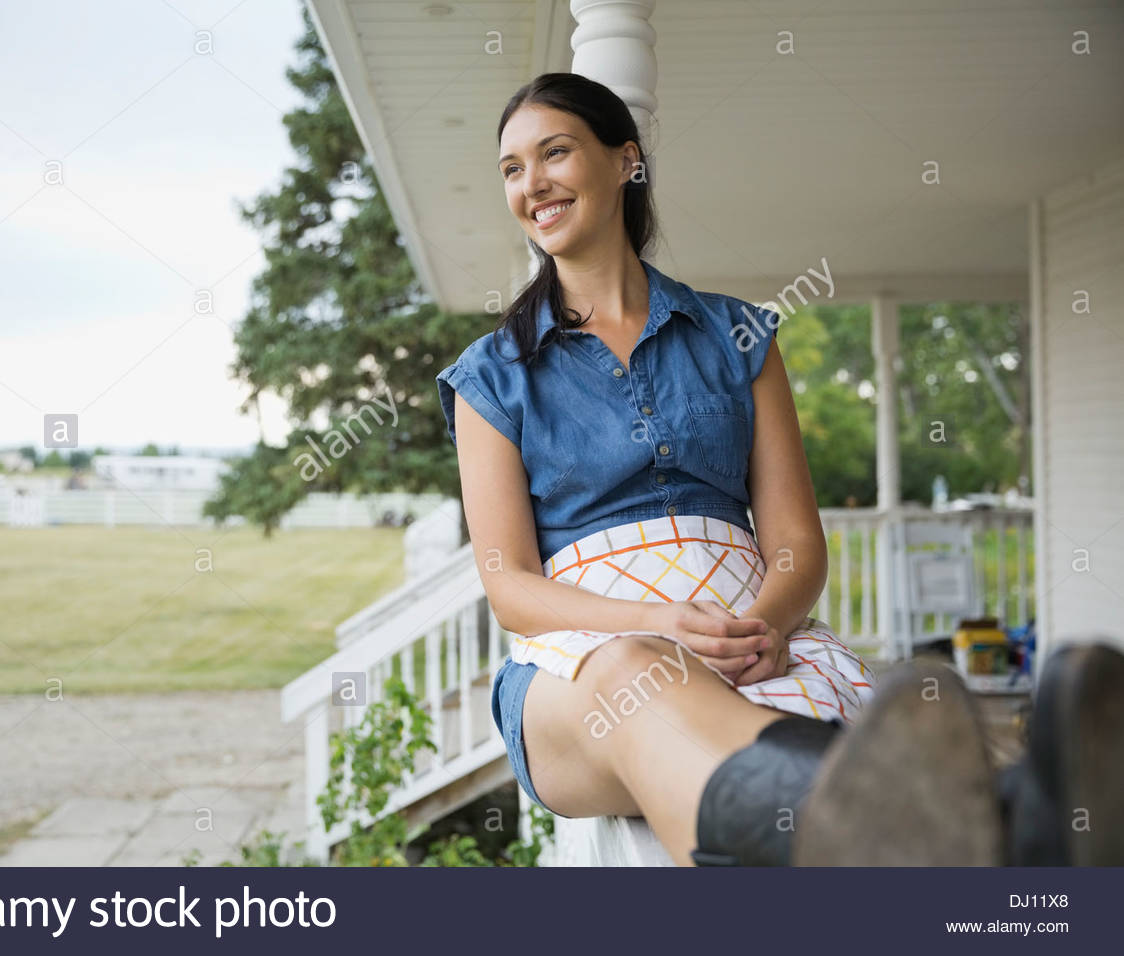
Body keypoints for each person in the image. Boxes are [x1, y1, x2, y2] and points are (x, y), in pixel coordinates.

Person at [434, 71, 1124, 866]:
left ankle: (1012, 829)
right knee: (642, 677)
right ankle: (879, 823)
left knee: (887, 720)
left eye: (555, 153)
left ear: (627, 161)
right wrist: (661, 627)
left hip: (751, 629)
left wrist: (764, 624)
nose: (532, 185)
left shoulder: (739, 335)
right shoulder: (493, 374)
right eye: (512, 169)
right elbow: (510, 585)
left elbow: (795, 539)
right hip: (582, 666)